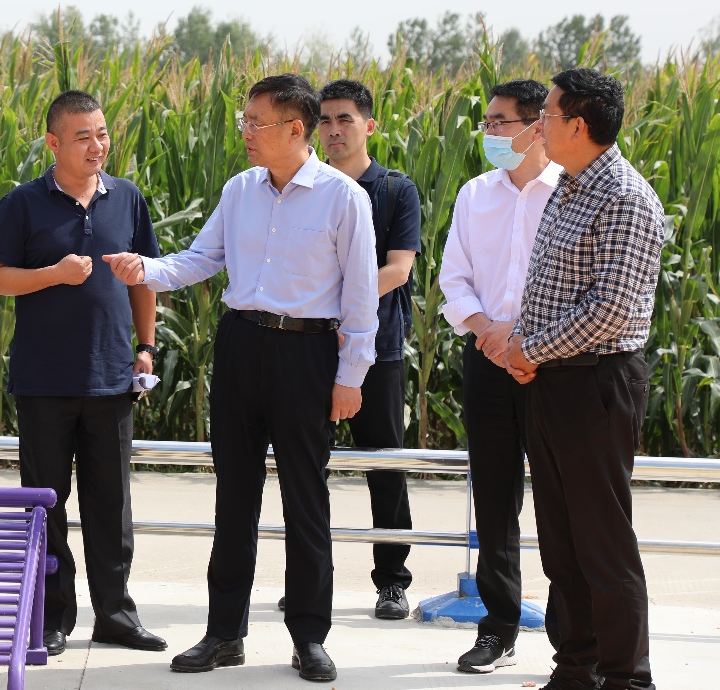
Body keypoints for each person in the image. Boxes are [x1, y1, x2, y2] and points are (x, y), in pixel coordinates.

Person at [105, 74, 378, 682]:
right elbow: (203, 258)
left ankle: (309, 637)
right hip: (241, 344)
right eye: (244, 121)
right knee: (234, 497)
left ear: (295, 129)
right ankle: (224, 633)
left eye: (257, 123)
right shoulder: (240, 189)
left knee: (306, 500)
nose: (247, 132)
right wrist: (145, 268)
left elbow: (362, 296)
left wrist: (351, 376)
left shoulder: (342, 198)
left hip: (307, 354)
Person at [0, 90, 166, 658]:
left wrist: (146, 347)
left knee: (111, 506)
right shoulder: (23, 203)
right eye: (83, 136)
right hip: (43, 381)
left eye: (102, 133)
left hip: (111, 377)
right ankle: (51, 616)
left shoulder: (127, 199)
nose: (97, 145)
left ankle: (116, 615)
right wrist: (53, 274)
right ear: (53, 142)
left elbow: (143, 278)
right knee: (46, 505)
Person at [506, 69, 662, 690]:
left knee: (602, 541)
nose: (537, 126)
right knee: (561, 541)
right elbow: (546, 287)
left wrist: (530, 349)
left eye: (545, 115)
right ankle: (576, 667)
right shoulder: (567, 188)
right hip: (551, 379)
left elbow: (612, 310)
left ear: (577, 125)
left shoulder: (623, 196)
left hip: (596, 381)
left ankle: (626, 677)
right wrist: (527, 349)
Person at [439, 79, 559, 673]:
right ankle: (498, 628)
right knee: (493, 497)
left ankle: (571, 634)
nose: (487, 133)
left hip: (553, 364)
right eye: (485, 123)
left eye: (498, 123)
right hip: (487, 360)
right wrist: (489, 331)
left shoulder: (568, 191)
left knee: (561, 501)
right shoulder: (474, 194)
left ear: (536, 127)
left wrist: (525, 342)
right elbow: (453, 276)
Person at [312, 78, 420, 620]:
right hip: (310, 346)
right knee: (309, 466)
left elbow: (398, 269)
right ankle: (311, 581)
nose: (333, 130)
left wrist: (334, 303)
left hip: (378, 346)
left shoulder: (395, 190)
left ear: (369, 125)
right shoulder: (308, 188)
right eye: (325, 120)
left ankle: (392, 581)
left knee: (384, 465)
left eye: (345, 119)